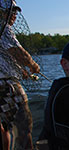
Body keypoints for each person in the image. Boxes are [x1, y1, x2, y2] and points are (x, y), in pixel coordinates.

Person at [0, 1, 38, 150]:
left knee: (3, 127)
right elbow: (17, 51)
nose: (14, 15)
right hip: (7, 86)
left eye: (15, 12)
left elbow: (5, 56)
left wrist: (21, 71)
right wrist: (33, 65)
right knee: (23, 124)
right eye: (10, 11)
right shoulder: (4, 29)